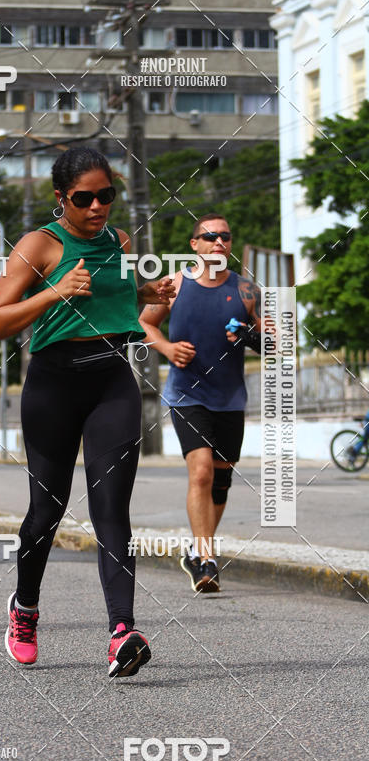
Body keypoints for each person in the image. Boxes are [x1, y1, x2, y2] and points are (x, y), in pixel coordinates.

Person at [0, 146, 174, 677]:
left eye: (106, 195)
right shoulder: (38, 245)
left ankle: (122, 632)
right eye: (84, 198)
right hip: (53, 385)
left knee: (111, 509)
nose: (97, 207)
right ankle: (24, 610)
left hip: (112, 380)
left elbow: (112, 299)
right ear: (61, 198)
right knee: (46, 511)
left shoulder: (119, 241)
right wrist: (53, 293)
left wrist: (146, 291)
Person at [139, 213, 262, 594]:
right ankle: (208, 559)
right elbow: (144, 324)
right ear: (195, 245)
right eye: (210, 237)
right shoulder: (175, 284)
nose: (219, 242)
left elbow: (274, 345)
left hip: (229, 398)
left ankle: (196, 551)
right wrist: (167, 348)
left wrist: (249, 335)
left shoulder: (247, 291)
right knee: (202, 472)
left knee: (221, 481)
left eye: (225, 236)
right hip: (186, 395)